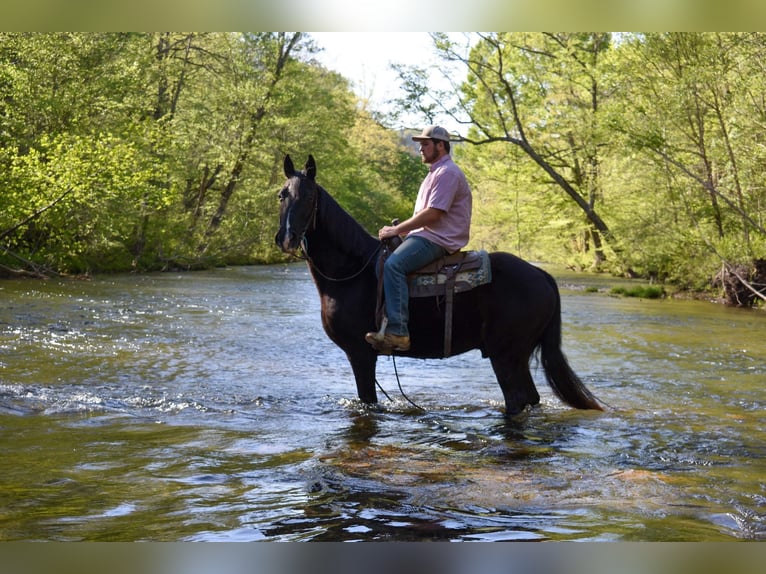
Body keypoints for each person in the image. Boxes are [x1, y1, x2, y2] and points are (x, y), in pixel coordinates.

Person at [365, 125, 472, 353]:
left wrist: (397, 231)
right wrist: (403, 231)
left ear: (440, 145)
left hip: (439, 239)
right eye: (420, 144)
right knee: (383, 259)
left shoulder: (448, 173)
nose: (420, 149)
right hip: (428, 235)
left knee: (394, 265)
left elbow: (433, 214)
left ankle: (399, 332)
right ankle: (385, 323)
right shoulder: (435, 173)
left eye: (425, 144)